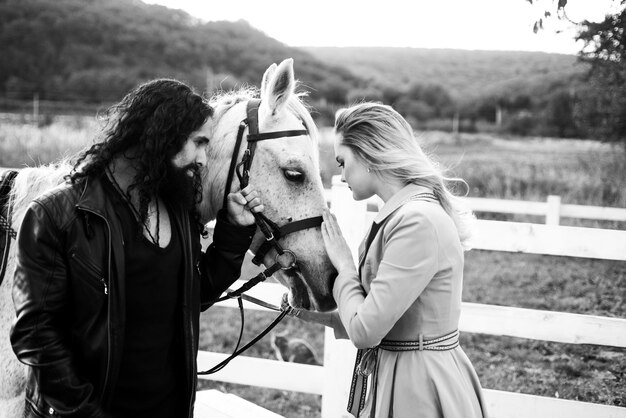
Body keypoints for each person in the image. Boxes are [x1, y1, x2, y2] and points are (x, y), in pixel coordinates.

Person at [10, 79, 263, 418]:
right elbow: (37, 336)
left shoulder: (176, 207)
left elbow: (194, 294)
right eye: (199, 142)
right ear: (162, 134)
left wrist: (233, 231)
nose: (203, 159)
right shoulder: (57, 215)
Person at [282, 102, 488, 417]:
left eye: (342, 161)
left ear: (366, 154)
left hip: (419, 387)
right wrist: (311, 314)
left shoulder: (417, 222)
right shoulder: (404, 215)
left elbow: (366, 330)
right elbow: (383, 318)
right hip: (402, 373)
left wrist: (346, 270)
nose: (341, 173)